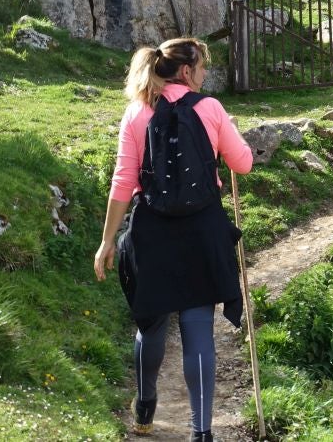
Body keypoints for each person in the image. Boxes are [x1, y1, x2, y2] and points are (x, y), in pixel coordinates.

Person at [93, 37, 253, 440]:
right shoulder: (210, 108)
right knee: (199, 332)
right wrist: (233, 134)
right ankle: (201, 433)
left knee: (151, 325)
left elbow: (123, 180)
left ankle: (145, 407)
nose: (204, 74)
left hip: (153, 232)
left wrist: (107, 240)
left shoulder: (136, 112)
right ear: (186, 70)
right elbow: (243, 164)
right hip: (202, 231)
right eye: (202, 67)